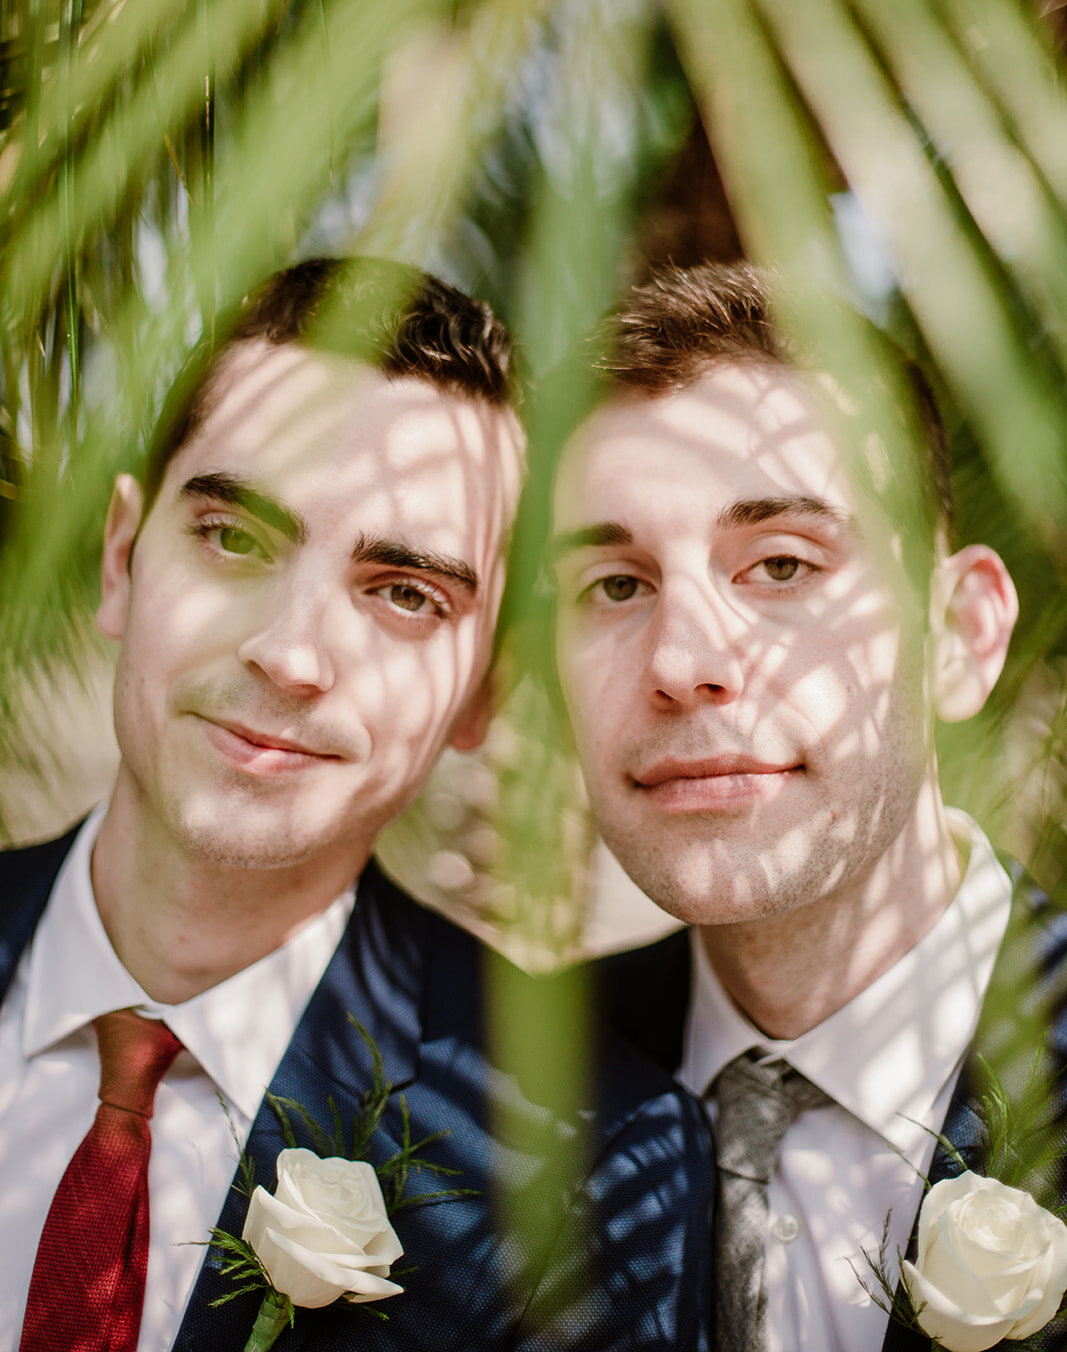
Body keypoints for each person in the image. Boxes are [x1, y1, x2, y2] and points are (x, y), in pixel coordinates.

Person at [0, 257, 707, 1352]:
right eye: (234, 537)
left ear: (486, 692)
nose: (289, 655)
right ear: (121, 559)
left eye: (404, 593)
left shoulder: (582, 1168)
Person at [544, 260, 1067, 1352]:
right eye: (614, 585)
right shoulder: (485, 1090)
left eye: (780, 564)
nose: (683, 660)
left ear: (961, 636)